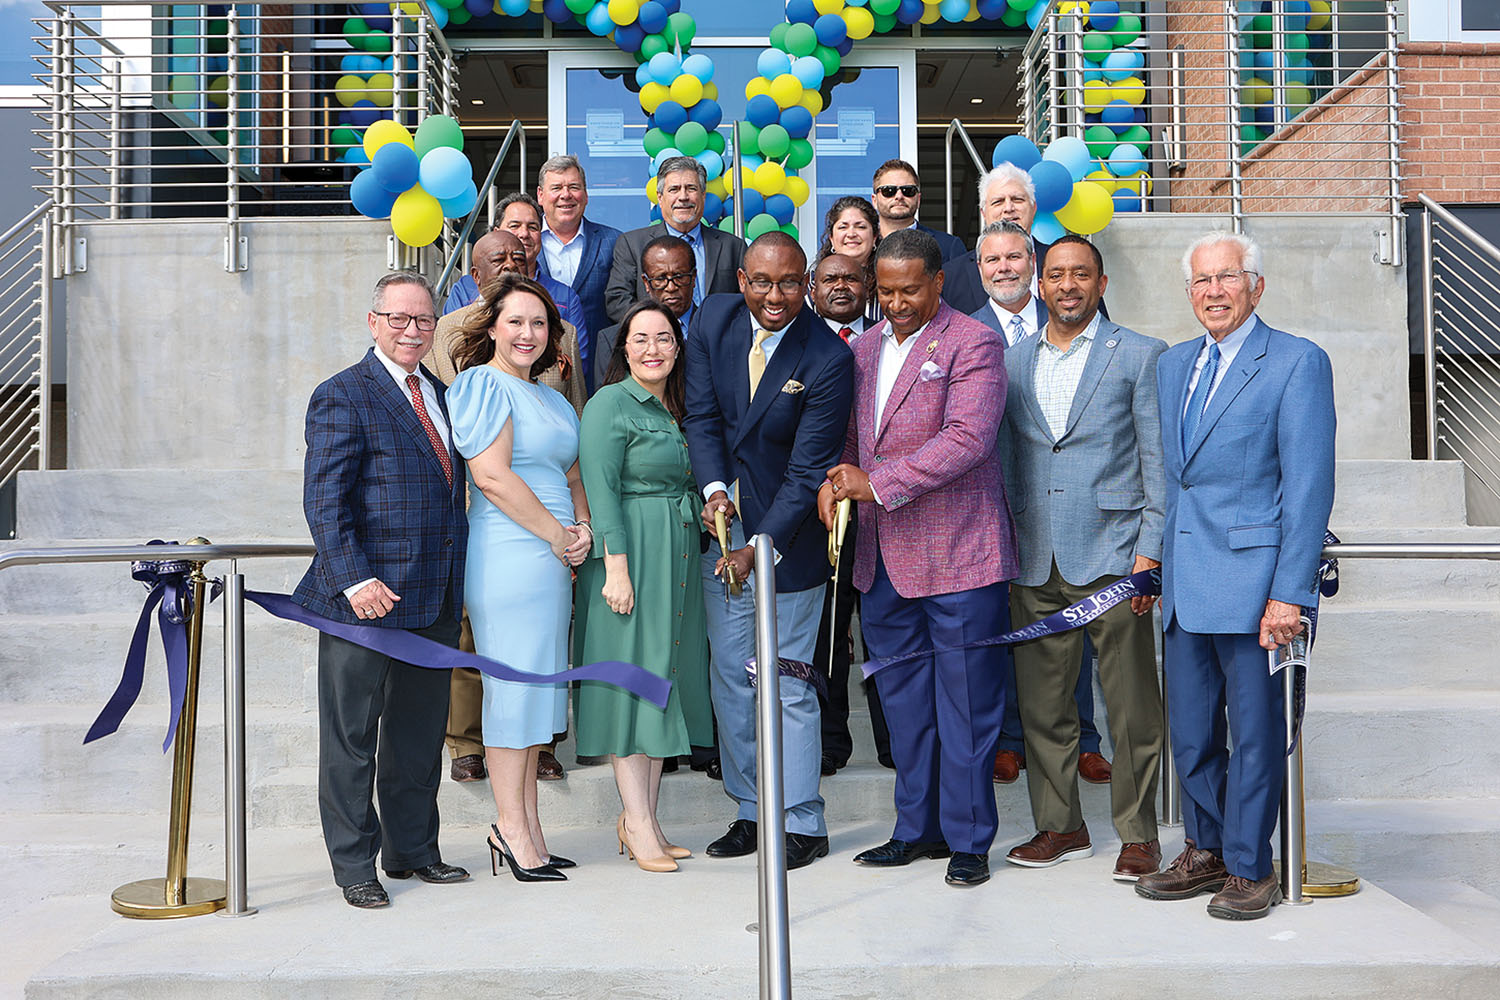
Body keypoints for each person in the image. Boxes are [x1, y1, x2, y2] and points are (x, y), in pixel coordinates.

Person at [1136, 231, 1335, 920]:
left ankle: (1252, 866)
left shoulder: (1296, 363)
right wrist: (1153, 558)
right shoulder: (1172, 366)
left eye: (1227, 277)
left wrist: (1290, 592)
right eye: (1201, 281)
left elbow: (1308, 488)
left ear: (1256, 285)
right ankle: (1205, 847)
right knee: (1190, 735)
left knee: (1255, 737)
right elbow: (1170, 478)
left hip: (1257, 591)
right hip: (1186, 584)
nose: (1213, 291)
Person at [821, 229, 1015, 888]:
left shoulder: (975, 343)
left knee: (966, 706)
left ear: (937, 283)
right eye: (887, 290)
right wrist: (838, 475)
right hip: (881, 560)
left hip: (960, 557)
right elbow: (852, 435)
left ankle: (968, 839)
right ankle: (916, 829)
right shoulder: (865, 348)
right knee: (904, 705)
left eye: (910, 290)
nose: (898, 302)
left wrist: (875, 483)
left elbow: (968, 439)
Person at [294, 271, 470, 908]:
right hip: (363, 604)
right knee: (351, 739)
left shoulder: (445, 395)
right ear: (373, 322)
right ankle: (353, 866)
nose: (411, 330)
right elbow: (325, 499)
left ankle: (413, 850)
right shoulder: (343, 394)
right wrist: (354, 578)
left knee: (418, 735)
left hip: (433, 596)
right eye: (397, 318)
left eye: (422, 320)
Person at [998, 235, 1168, 883]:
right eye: (1056, 275)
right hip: (1035, 561)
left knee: (1131, 710)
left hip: (1116, 559)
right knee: (1043, 709)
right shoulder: (1013, 362)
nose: (1067, 285)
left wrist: (1150, 551)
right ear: (1039, 285)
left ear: (1101, 284)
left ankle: (1138, 833)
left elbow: (1158, 461)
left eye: (1081, 275)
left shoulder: (1141, 356)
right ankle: (1060, 824)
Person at [682, 232, 854, 871]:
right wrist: (715, 490)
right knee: (733, 681)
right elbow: (702, 419)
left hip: (789, 548)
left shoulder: (828, 358)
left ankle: (802, 820)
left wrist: (760, 545)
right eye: (760, 282)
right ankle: (753, 810)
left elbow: (809, 469)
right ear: (742, 278)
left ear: (806, 280)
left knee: (783, 686)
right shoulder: (714, 319)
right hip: (723, 538)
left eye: (787, 283)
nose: (772, 297)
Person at [446, 271, 593, 883]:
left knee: (538, 691)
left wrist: (582, 527)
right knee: (513, 690)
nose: (528, 333)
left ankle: (528, 827)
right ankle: (509, 828)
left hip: (557, 558)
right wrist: (559, 536)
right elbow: (493, 478)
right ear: (492, 327)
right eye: (516, 321)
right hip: (511, 554)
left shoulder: (556, 397)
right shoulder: (483, 385)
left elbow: (574, 475)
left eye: (539, 323)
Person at [574, 300, 712, 873]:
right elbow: (601, 489)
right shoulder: (610, 403)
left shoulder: (672, 409)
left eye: (664, 338)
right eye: (641, 338)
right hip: (630, 555)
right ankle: (635, 821)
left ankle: (646, 821)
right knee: (631, 688)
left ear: (677, 349)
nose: (653, 348)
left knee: (661, 681)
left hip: (674, 555)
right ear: (623, 348)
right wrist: (617, 568)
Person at [972, 220, 1111, 788]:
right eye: (991, 260)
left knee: (1072, 626)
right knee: (1014, 632)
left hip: (1072, 509)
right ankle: (1011, 738)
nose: (1003, 267)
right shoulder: (962, 328)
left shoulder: (1076, 319)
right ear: (979, 271)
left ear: (1032, 264)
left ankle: (1085, 739)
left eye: (1014, 257)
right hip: (996, 502)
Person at [806, 249, 893, 773]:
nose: (841, 286)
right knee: (827, 638)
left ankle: (894, 745)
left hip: (888, 511)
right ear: (813, 287)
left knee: (883, 635)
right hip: (821, 513)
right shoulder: (801, 343)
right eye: (829, 278)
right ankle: (830, 742)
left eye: (852, 278)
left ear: (869, 285)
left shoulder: (888, 343)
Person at [446, 193, 593, 401]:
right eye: (514, 226)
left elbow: (577, 399)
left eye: (533, 227)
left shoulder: (565, 320)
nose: (523, 234)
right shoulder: (448, 326)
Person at [605, 156, 745, 324]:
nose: (683, 196)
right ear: (660, 197)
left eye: (691, 188)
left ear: (703, 195)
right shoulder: (632, 245)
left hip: (717, 346)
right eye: (674, 189)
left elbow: (745, 302)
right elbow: (617, 301)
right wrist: (662, 328)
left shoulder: (733, 247)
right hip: (657, 344)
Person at [536, 153, 622, 392]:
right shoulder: (524, 243)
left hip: (599, 372)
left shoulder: (613, 241)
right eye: (557, 188)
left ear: (585, 195)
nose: (566, 195)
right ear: (541, 196)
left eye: (574, 187)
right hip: (534, 370)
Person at [593, 236, 696, 393]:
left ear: (693, 277)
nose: (671, 287)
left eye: (679, 277)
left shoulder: (715, 331)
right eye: (660, 279)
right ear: (646, 283)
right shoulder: (612, 340)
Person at [942, 162, 1046, 315]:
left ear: (1034, 207)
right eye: (998, 201)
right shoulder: (951, 276)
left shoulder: (1060, 261)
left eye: (1017, 199)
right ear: (983, 213)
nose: (1008, 208)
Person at [869, 159, 967, 263]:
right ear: (874, 200)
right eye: (888, 191)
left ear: (918, 199)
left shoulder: (948, 246)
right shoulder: (861, 244)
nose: (899, 196)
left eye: (908, 190)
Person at [817, 196, 882, 325]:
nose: (851, 234)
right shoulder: (813, 283)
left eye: (860, 227)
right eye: (843, 227)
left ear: (874, 237)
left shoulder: (888, 281)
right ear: (831, 238)